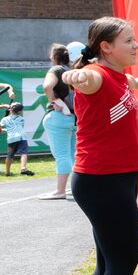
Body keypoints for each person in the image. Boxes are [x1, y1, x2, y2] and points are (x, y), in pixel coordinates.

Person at [61, 17, 138, 275]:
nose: (136, 45)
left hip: (115, 179)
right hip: (103, 181)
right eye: (129, 40)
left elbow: (129, 82)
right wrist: (73, 75)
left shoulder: (118, 76)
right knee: (122, 262)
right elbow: (83, 79)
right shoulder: (96, 76)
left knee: (107, 262)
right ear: (106, 47)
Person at [40, 43, 77, 199]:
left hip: (59, 116)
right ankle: (74, 188)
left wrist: (54, 100)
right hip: (73, 118)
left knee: (61, 155)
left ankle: (60, 190)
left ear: (54, 57)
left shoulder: (56, 70)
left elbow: (47, 86)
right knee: (73, 155)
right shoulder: (72, 71)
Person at [0, 102, 33, 176]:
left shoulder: (5, 119)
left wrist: (1, 129)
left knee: (10, 155)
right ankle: (23, 168)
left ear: (10, 109)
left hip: (11, 138)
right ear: (20, 111)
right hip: (21, 137)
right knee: (24, 153)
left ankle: (7, 172)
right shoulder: (21, 119)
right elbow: (18, 127)